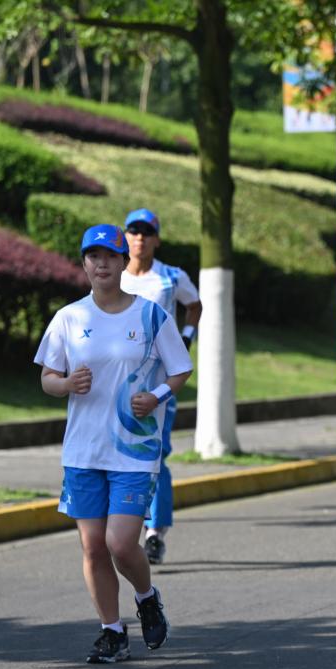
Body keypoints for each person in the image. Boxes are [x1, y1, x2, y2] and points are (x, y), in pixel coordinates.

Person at [34, 224, 193, 663]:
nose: (101, 264)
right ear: (84, 263)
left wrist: (155, 397)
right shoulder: (69, 318)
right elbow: (47, 378)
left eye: (110, 256)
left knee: (120, 543)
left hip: (134, 449)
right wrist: (66, 384)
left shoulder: (150, 316)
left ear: (124, 263)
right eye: (93, 256)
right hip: (84, 450)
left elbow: (180, 369)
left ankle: (146, 596)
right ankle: (112, 632)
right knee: (92, 547)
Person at [121, 208, 202, 564]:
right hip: (119, 382)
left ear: (156, 238)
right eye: (133, 231)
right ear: (126, 236)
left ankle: (154, 533)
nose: (139, 238)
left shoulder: (171, 277)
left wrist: (186, 338)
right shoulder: (115, 278)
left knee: (155, 454)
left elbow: (194, 305)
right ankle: (123, 527)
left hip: (159, 382)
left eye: (146, 232)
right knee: (121, 454)